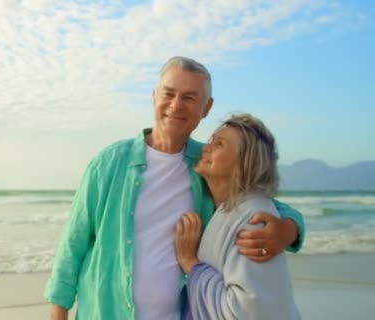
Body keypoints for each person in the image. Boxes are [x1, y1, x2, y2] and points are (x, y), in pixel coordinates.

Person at [45, 56, 305, 320]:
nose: (176, 105)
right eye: (168, 94)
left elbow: (253, 196)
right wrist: (58, 313)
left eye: (190, 98)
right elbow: (72, 245)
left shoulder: (205, 166)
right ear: (155, 96)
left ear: (206, 107)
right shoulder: (109, 163)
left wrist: (290, 229)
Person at [174, 113, 300, 319]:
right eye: (211, 140)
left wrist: (189, 261)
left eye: (220, 144)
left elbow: (243, 311)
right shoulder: (228, 208)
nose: (206, 148)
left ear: (245, 162)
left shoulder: (256, 219)